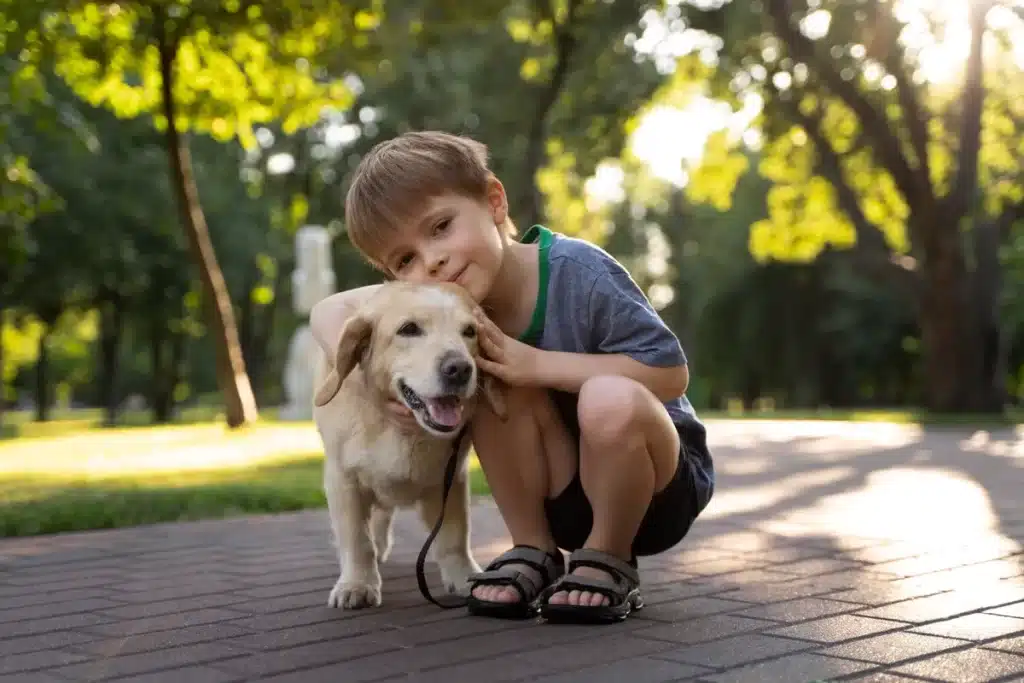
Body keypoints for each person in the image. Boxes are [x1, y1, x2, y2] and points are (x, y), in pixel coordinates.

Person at [309, 130, 714, 624]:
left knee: (605, 398)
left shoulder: (580, 272)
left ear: (494, 202)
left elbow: (670, 373)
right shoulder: (443, 302)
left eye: (440, 227)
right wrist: (369, 383)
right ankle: (533, 548)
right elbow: (328, 310)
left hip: (656, 490)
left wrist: (537, 365)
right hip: (562, 495)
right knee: (488, 380)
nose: (431, 260)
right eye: (405, 260)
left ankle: (608, 557)